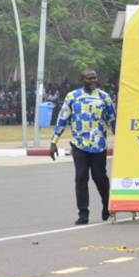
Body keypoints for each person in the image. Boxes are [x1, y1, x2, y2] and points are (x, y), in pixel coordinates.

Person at [49, 69, 117, 225]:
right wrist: (54, 142)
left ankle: (107, 204)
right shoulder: (72, 97)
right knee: (81, 178)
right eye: (89, 78)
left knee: (100, 177)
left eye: (94, 78)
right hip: (80, 144)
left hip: (99, 145)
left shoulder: (104, 97)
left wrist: (120, 140)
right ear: (81, 80)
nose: (93, 81)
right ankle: (83, 213)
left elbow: (113, 120)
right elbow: (62, 119)